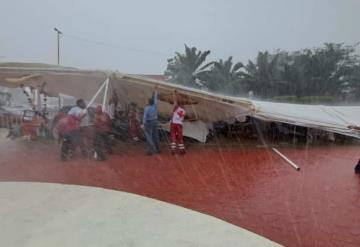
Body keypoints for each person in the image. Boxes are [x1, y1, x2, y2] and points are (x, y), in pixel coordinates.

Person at [142, 89, 160, 155]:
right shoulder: (154, 105)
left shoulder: (146, 108)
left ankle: (151, 150)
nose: (146, 102)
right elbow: (155, 98)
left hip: (149, 122)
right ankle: (157, 149)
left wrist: (144, 124)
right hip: (155, 121)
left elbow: (145, 117)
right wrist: (156, 91)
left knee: (149, 136)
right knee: (155, 135)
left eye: (147, 101)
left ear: (149, 102)